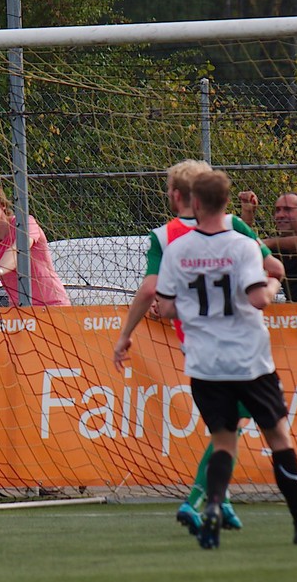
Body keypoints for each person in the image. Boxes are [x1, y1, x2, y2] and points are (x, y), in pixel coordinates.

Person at [113, 160, 285, 535]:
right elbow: (271, 264)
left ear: (178, 195)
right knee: (237, 422)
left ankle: (220, 499)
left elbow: (150, 290)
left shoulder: (165, 235)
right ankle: (196, 500)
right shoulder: (232, 225)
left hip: (195, 339)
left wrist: (126, 333)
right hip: (239, 341)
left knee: (227, 424)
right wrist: (264, 276)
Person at [155, 169, 297, 548]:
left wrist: (195, 309)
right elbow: (258, 299)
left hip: (204, 363)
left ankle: (214, 505)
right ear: (227, 203)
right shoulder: (243, 245)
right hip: (249, 360)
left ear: (195, 203)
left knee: (223, 441)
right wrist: (275, 283)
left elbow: (164, 307)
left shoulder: (178, 250)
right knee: (278, 438)